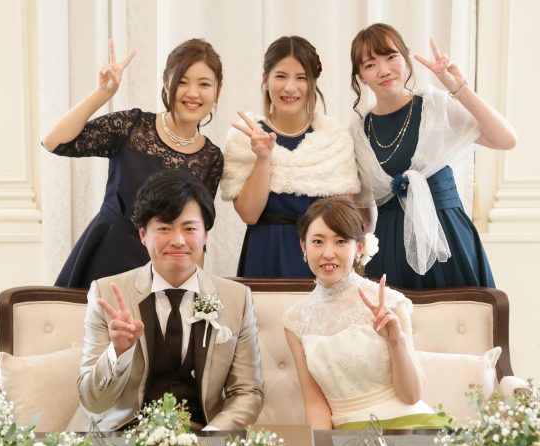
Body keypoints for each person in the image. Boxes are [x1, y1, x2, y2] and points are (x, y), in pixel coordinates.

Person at [77, 169, 263, 431]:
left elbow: (247, 392)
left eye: (189, 228)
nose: (178, 240)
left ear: (206, 234)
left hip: (205, 438)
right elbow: (92, 401)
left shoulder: (237, 298)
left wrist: (211, 439)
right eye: (164, 228)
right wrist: (117, 353)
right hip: (126, 440)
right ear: (143, 235)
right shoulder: (106, 293)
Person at [43, 38, 224, 289]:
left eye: (204, 84)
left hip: (163, 271)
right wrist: (103, 93)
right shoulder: (133, 126)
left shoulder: (211, 157)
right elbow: (54, 142)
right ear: (166, 83)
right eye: (182, 81)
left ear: (217, 90)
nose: (193, 93)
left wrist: (193, 294)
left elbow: (198, 234)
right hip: (106, 256)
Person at [349, 23, 517, 289]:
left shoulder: (434, 107)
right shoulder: (358, 133)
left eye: (391, 57)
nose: (383, 70)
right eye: (370, 64)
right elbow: (363, 212)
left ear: (406, 59)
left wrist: (458, 88)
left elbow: (506, 139)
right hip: (390, 247)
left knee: (461, 313)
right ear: (360, 76)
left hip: (448, 239)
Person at [282, 197, 449, 429]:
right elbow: (314, 403)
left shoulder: (390, 302)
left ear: (359, 247)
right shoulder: (295, 320)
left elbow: (412, 395)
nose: (328, 252)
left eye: (340, 241)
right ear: (304, 246)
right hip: (346, 436)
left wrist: (396, 340)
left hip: (407, 427)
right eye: (318, 241)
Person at [220, 35, 360, 277]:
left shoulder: (334, 139)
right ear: (265, 79)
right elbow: (249, 214)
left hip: (322, 259)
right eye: (281, 76)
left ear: (313, 82)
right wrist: (263, 157)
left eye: (301, 78)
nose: (290, 88)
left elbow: (343, 221)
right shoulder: (245, 136)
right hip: (265, 255)